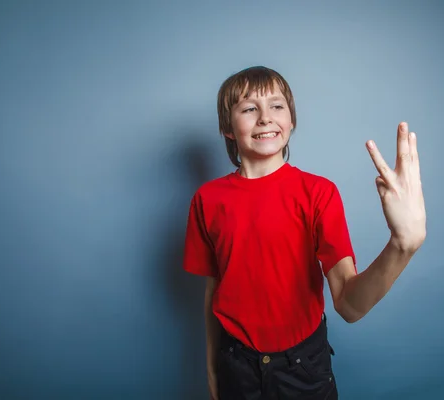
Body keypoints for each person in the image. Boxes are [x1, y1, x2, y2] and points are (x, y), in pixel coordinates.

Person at [182, 66, 426, 400]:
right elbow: (214, 290)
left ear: (292, 120)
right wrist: (212, 367)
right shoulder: (206, 200)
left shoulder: (318, 193)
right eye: (249, 108)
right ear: (227, 127)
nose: (265, 117)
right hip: (235, 365)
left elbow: (349, 306)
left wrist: (402, 246)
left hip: (303, 367)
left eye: (277, 106)